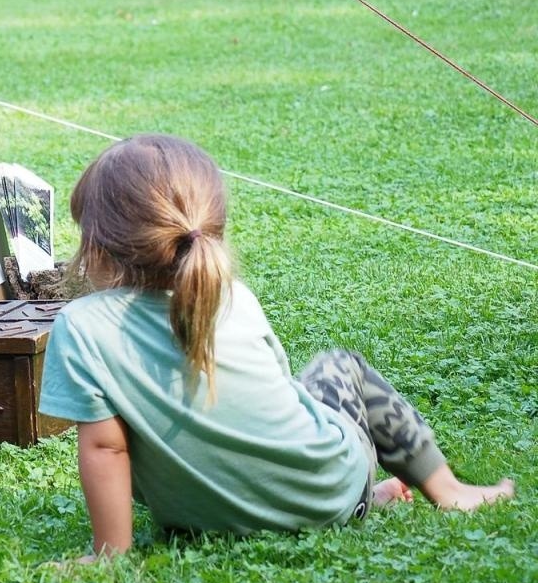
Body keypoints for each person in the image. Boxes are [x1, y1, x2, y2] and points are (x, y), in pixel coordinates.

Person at [39, 133, 513, 560]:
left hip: (204, 524)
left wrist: (110, 555)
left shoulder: (81, 326)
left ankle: (382, 492)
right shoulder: (232, 297)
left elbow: (106, 448)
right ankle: (445, 489)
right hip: (331, 493)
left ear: (97, 247)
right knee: (339, 367)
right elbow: (284, 395)